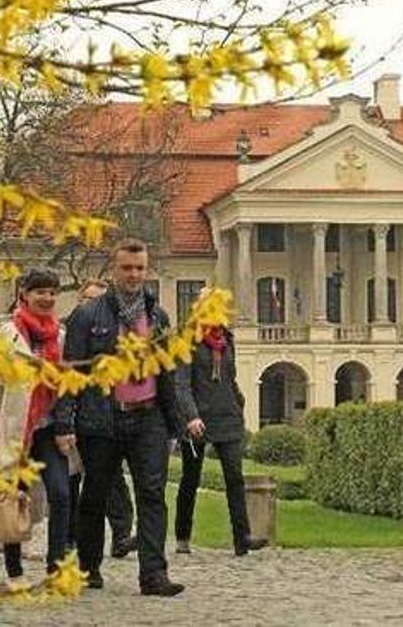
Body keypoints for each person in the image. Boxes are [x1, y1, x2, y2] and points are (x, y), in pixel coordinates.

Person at [62, 238, 184, 596]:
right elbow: (72, 374)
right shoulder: (87, 316)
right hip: (103, 418)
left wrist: (174, 422)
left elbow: (168, 373)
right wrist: (65, 423)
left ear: (147, 271)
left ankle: (153, 575)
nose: (134, 274)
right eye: (127, 268)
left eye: (140, 268)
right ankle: (88, 567)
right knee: (95, 495)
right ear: (113, 269)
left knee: (152, 494)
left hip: (148, 417)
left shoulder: (158, 317)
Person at [0, 267, 74, 588]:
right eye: (40, 292)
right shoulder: (6, 333)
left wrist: (65, 425)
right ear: (25, 294)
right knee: (14, 498)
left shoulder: (60, 335)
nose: (47, 298)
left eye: (52, 292)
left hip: (48, 428)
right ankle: (14, 572)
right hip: (16, 427)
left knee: (61, 494)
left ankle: (55, 568)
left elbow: (65, 383)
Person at [174, 315, 266, 556]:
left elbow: (231, 377)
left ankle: (242, 538)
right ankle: (182, 536)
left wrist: (239, 402)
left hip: (227, 415)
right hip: (198, 417)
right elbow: (181, 384)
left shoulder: (227, 339)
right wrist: (191, 415)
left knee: (235, 477)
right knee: (190, 479)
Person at [70, 278, 136, 559]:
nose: (93, 305)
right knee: (73, 485)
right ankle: (71, 538)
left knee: (112, 481)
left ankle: (121, 535)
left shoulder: (113, 335)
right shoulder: (70, 332)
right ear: (80, 300)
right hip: (78, 416)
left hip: (107, 417)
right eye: (89, 299)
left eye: (99, 299)